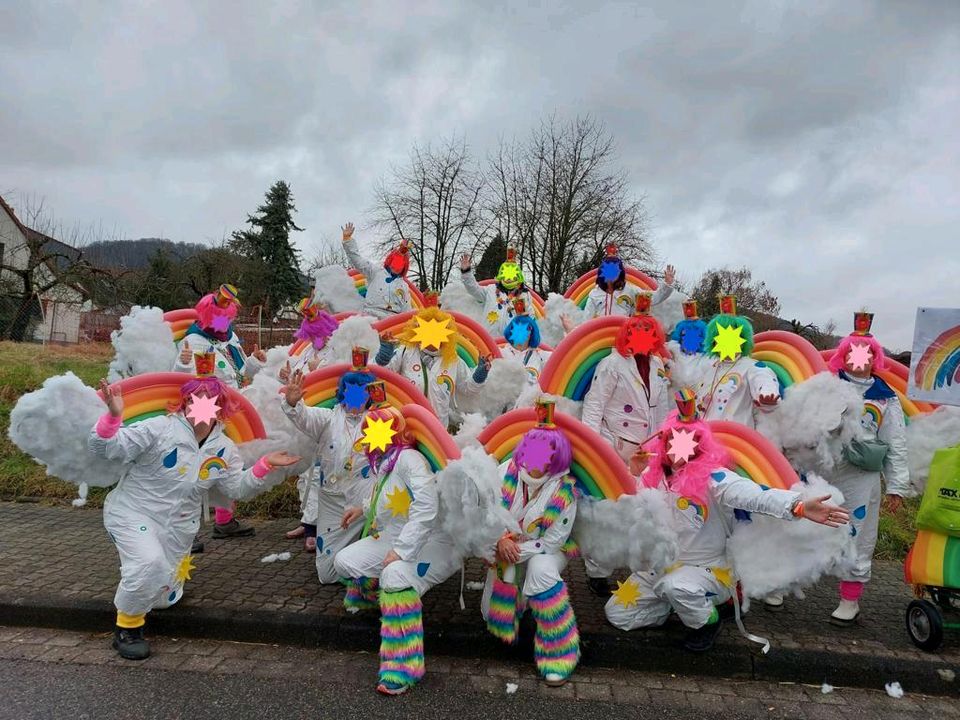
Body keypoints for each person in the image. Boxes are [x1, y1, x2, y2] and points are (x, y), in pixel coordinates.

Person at [604, 389, 849, 651]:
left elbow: (754, 495)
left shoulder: (715, 478)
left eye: (688, 440)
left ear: (700, 444)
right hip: (660, 568)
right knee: (618, 614)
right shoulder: (653, 476)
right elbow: (629, 506)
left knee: (678, 587)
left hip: (705, 570)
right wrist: (632, 472)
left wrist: (798, 506)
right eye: (673, 439)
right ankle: (675, 606)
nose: (679, 447)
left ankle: (707, 621)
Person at [90, 354, 299, 660]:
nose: (199, 406)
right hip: (133, 512)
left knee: (163, 597)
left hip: (178, 527)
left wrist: (265, 465)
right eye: (194, 399)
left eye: (208, 400)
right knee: (149, 563)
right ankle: (128, 627)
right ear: (185, 402)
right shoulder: (158, 429)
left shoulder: (224, 448)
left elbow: (235, 489)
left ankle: (141, 575)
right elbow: (105, 448)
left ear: (220, 407)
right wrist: (112, 417)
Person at [333, 403, 461, 696]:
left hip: (432, 542)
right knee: (344, 561)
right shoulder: (387, 461)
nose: (370, 437)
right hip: (395, 535)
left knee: (395, 577)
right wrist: (362, 510)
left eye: (376, 430)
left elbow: (426, 507)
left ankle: (402, 664)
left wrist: (403, 551)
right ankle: (386, 603)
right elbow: (387, 499)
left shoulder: (410, 460)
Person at [481, 400, 581, 687]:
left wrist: (513, 550)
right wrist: (498, 541)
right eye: (531, 450)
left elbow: (551, 542)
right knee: (492, 613)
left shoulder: (564, 491)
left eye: (544, 453)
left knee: (540, 573)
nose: (534, 460)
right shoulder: (505, 472)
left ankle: (559, 652)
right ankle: (519, 610)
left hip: (545, 551)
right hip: (506, 548)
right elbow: (488, 515)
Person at [580, 293, 671, 596]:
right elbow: (594, 405)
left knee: (645, 509)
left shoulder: (659, 365)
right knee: (609, 510)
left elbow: (661, 406)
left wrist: (663, 445)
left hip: (647, 450)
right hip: (615, 445)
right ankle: (597, 569)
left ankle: (641, 570)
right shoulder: (612, 364)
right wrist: (594, 449)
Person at [825, 312, 910, 625]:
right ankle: (787, 581)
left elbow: (895, 441)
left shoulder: (887, 398)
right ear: (843, 355)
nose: (858, 359)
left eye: (866, 353)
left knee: (858, 534)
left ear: (875, 358)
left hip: (862, 479)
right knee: (806, 525)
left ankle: (850, 598)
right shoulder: (827, 386)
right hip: (825, 470)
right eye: (852, 351)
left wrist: (898, 485)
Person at [173, 284, 265, 542]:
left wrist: (255, 362)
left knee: (229, 463)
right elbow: (180, 382)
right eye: (220, 317)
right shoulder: (193, 341)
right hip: (204, 412)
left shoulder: (231, 338)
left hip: (232, 411)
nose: (225, 322)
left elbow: (240, 374)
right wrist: (182, 362)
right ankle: (179, 535)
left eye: (229, 317)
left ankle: (224, 521)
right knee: (193, 468)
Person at [281, 351, 377, 579]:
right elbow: (303, 416)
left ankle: (363, 558)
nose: (357, 398)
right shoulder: (328, 418)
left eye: (363, 392)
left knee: (365, 558)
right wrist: (293, 401)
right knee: (327, 574)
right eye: (352, 391)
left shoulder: (378, 420)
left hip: (364, 503)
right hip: (332, 501)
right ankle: (350, 557)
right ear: (344, 392)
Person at [375, 293, 490, 428]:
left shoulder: (453, 360)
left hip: (437, 433)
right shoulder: (406, 351)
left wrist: (480, 374)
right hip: (408, 426)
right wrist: (384, 355)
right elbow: (382, 375)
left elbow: (468, 388)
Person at [691, 294, 780, 428]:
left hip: (735, 442)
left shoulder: (751, 366)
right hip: (707, 440)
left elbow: (763, 379)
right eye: (720, 336)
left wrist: (767, 394)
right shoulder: (711, 368)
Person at [583, 244, 676, 318]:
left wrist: (667, 285)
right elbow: (586, 319)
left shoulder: (629, 290)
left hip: (623, 335)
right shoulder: (595, 293)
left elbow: (654, 298)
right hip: (602, 336)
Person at [341, 222, 412, 319]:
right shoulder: (376, 272)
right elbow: (358, 261)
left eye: (400, 264)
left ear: (404, 267)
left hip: (391, 322)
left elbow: (407, 310)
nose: (397, 266)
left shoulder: (404, 286)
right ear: (390, 261)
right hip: (370, 317)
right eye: (395, 261)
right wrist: (348, 240)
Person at [459, 247, 534, 337]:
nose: (509, 279)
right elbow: (473, 289)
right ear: (501, 276)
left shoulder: (522, 295)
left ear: (518, 277)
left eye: (512, 276)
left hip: (511, 345)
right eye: (506, 276)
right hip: (489, 342)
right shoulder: (491, 290)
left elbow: (529, 319)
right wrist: (466, 272)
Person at [500, 298, 552, 395]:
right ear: (511, 329)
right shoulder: (500, 353)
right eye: (518, 326)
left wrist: (570, 330)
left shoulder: (540, 356)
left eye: (528, 328)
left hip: (529, 407)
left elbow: (564, 356)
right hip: (504, 407)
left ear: (532, 332)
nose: (523, 331)